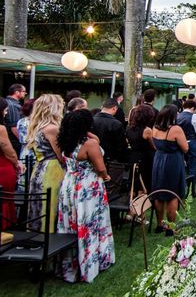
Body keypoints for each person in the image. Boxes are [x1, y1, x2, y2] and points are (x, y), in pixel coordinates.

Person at [57, 109, 115, 283]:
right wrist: (105, 177)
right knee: (89, 223)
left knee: (71, 224)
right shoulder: (89, 144)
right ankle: (90, 263)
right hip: (87, 187)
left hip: (69, 185)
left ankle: (71, 264)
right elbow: (100, 167)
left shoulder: (66, 141)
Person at [26, 94, 65, 232]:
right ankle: (48, 237)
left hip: (39, 167)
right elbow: (61, 155)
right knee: (50, 206)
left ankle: (36, 235)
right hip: (52, 170)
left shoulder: (35, 126)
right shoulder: (52, 128)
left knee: (38, 206)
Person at [151, 105, 188, 235]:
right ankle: (171, 227)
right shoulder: (176, 129)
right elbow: (185, 148)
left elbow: (155, 145)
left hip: (158, 159)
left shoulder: (154, 127)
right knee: (172, 193)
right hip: (172, 161)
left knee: (159, 192)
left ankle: (159, 223)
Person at [0, 98, 24, 230]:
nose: (6, 113)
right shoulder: (1, 129)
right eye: (5, 110)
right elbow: (8, 150)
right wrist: (17, 162)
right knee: (5, 198)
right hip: (3, 167)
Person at [126, 104, 156, 193]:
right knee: (144, 179)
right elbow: (154, 146)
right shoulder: (147, 130)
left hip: (134, 156)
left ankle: (133, 198)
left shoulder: (129, 128)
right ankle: (142, 200)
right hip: (145, 157)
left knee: (134, 179)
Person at [177, 100, 196, 193]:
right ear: (192, 108)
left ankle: (181, 188)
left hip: (180, 143)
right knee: (193, 166)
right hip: (192, 142)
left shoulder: (178, 115)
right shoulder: (194, 116)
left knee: (182, 165)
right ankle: (192, 190)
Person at [93, 98, 128, 162]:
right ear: (114, 108)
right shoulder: (116, 124)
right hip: (110, 159)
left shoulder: (91, 120)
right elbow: (121, 145)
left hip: (92, 156)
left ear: (101, 107)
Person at [15, 98, 34, 193]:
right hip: (31, 152)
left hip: (28, 152)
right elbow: (26, 139)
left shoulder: (22, 121)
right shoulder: (27, 122)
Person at [5, 83, 27, 155]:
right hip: (14, 141)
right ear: (17, 92)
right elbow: (14, 127)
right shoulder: (12, 105)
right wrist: (22, 141)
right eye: (24, 91)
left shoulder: (10, 103)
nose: (25, 93)